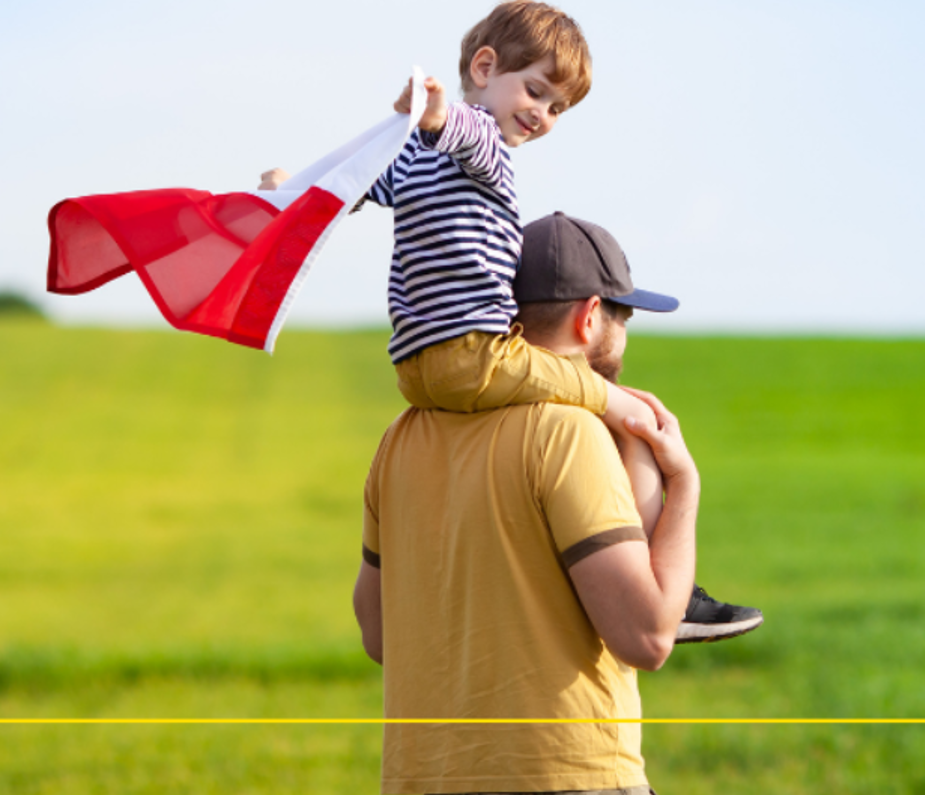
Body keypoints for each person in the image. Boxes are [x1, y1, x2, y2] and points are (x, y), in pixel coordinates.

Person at [267, 1, 757, 640]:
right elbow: (466, 139)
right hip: (475, 351)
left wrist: (294, 196)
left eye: (557, 108)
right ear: (484, 66)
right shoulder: (484, 145)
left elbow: (362, 184)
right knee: (627, 410)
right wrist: (440, 117)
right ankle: (675, 590)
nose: (543, 116)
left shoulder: (398, 445)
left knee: (607, 403)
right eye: (536, 91)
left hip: (417, 370)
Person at [357, 212, 749, 795]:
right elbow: (647, 636)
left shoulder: (400, 438)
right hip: (573, 781)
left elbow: (377, 632)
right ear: (590, 317)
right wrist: (684, 484)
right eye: (623, 316)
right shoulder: (567, 432)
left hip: (446, 788)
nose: (622, 332)